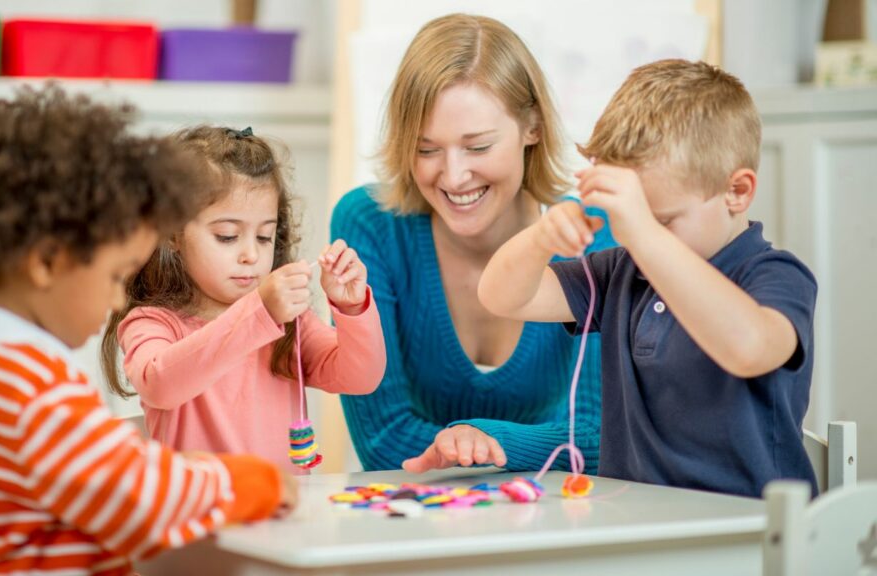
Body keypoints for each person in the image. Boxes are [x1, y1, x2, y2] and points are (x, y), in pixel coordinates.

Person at [0, 86, 295, 574]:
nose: (119, 298)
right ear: (48, 261)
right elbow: (140, 496)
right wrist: (254, 483)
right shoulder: (29, 391)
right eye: (116, 276)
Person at [478, 59, 818, 498]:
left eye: (661, 220)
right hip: (641, 523)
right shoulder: (624, 270)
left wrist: (642, 231)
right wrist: (541, 238)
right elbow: (501, 297)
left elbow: (748, 348)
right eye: (633, 221)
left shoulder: (776, 275)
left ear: (737, 192)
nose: (639, 238)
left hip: (753, 535)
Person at [331, 13, 614, 473]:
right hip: (412, 517)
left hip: (556, 516)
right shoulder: (369, 224)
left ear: (533, 128)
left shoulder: (593, 232)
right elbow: (383, 439)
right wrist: (509, 448)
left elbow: (601, 438)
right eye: (426, 149)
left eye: (478, 147)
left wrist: (481, 442)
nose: (454, 175)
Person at [101, 125, 385, 474]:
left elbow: (362, 378)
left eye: (264, 237)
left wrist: (352, 307)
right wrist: (258, 313)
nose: (251, 254)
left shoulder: (288, 322)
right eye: (227, 236)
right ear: (173, 234)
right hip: (202, 517)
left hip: (283, 514)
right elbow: (160, 384)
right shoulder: (153, 322)